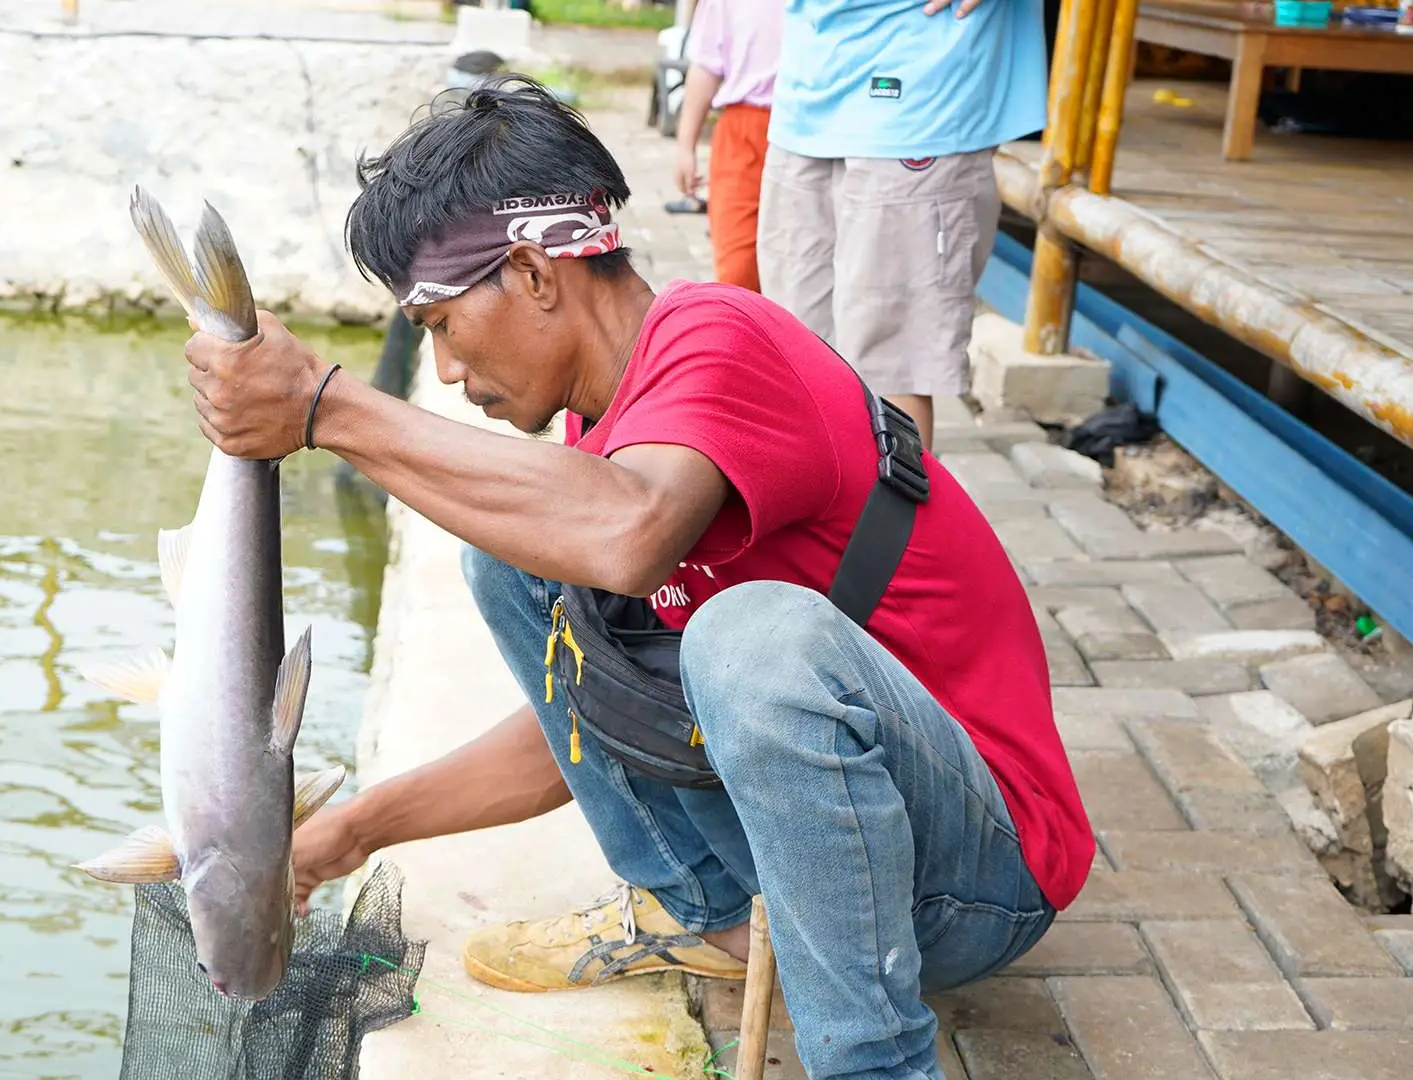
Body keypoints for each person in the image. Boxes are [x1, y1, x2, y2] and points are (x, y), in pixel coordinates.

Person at [181, 76, 1093, 1080]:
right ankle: (706, 912)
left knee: (747, 637)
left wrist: (330, 411)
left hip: (978, 878)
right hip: (815, 862)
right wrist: (351, 831)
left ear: (531, 273)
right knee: (513, 551)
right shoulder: (600, 433)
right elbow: (582, 730)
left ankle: (874, 1065)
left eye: (438, 324)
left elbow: (631, 535)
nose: (442, 369)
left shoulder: (721, 343)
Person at [756, 0, 1049, 448]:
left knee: (890, 367)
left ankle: (895, 521)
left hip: (919, 96)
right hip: (807, 92)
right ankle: (821, 517)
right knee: (796, 355)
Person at [671, 0, 783, 292]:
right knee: (738, 266)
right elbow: (705, 66)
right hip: (744, 127)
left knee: (800, 267)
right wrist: (686, 146)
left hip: (812, 127)